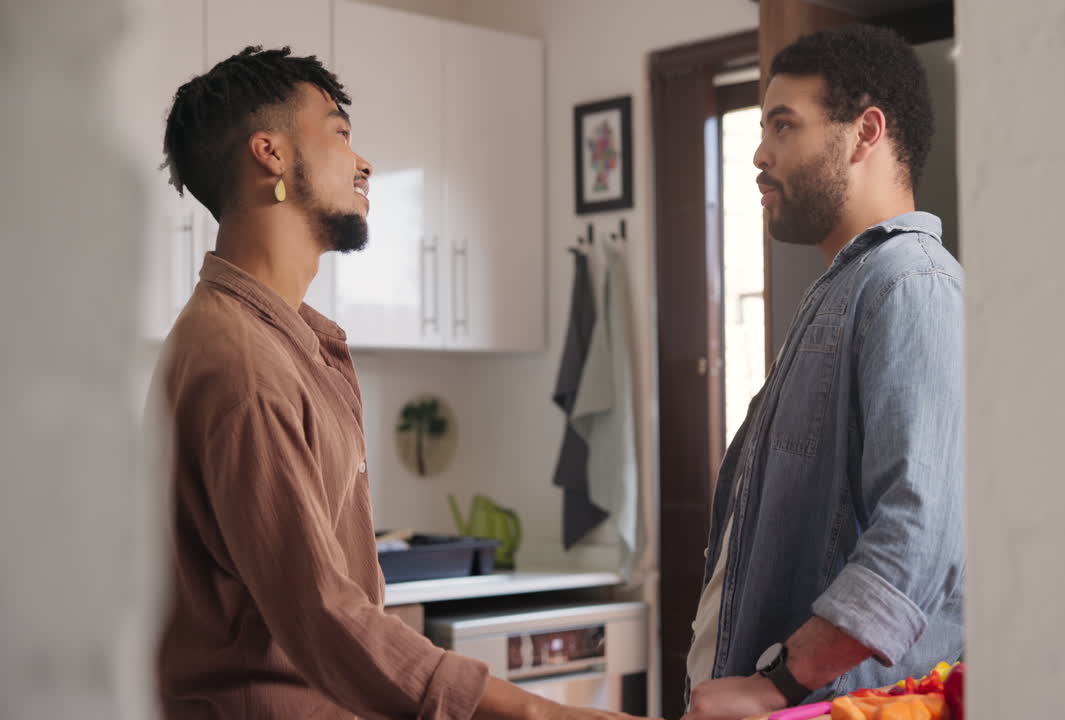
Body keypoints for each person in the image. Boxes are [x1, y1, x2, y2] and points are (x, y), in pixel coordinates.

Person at [151, 45, 649, 720]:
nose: (364, 163)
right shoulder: (241, 361)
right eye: (339, 132)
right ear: (269, 153)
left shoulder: (279, 340)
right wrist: (540, 713)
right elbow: (323, 615)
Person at [682, 25, 965, 720]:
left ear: (865, 132)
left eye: (784, 124)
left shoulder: (911, 284)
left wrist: (780, 683)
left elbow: (921, 530)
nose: (759, 151)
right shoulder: (847, 287)